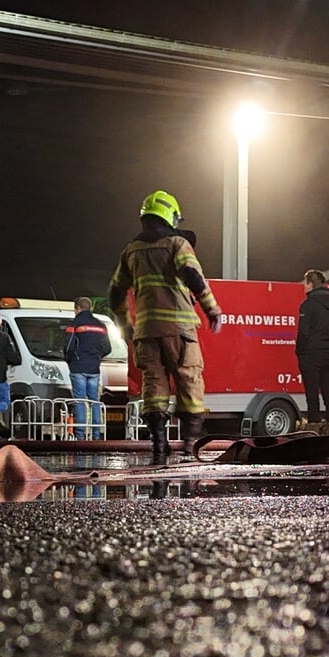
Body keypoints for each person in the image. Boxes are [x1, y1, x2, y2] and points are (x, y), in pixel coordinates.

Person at [109, 190, 223, 462]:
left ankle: (158, 445)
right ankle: (189, 446)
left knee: (154, 386)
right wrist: (212, 309)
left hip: (146, 333)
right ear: (169, 215)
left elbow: (115, 292)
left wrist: (126, 325)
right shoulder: (177, 244)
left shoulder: (131, 251)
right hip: (179, 329)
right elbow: (193, 275)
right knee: (189, 380)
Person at [295, 269, 329, 426]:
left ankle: (314, 424)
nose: (304, 286)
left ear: (310, 284)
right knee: (328, 391)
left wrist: (300, 352)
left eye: (305, 283)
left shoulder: (307, 305)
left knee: (312, 392)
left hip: (310, 355)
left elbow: (303, 332)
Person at [63, 296, 111, 440]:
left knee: (80, 402)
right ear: (91, 308)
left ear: (77, 308)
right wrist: (96, 357)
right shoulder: (100, 326)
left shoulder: (74, 324)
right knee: (95, 402)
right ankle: (96, 435)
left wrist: (70, 360)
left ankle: (80, 435)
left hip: (78, 367)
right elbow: (107, 348)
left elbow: (69, 347)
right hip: (94, 369)